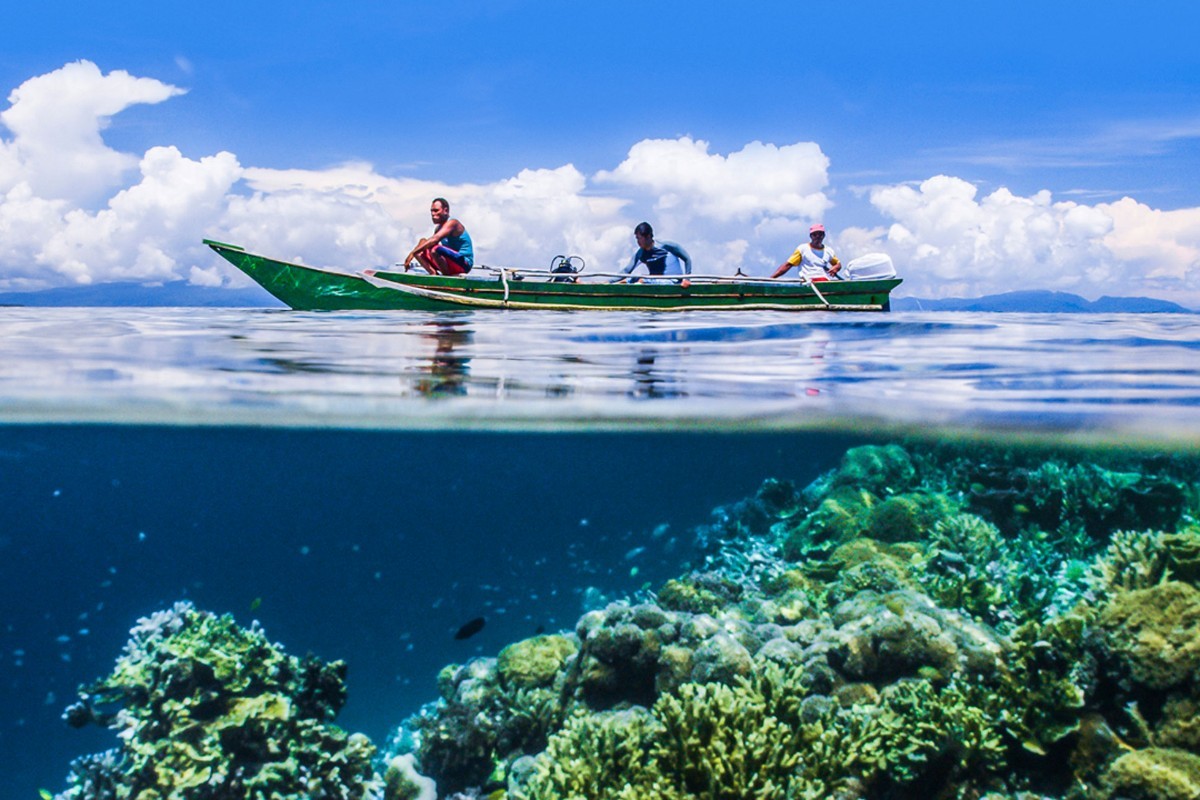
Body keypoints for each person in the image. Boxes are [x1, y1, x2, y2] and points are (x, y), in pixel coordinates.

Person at [405, 198, 474, 276]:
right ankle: (433, 273)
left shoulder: (453, 223)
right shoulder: (438, 228)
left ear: (446, 210)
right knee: (422, 243)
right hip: (449, 263)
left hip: (464, 264)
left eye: (436, 210)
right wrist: (416, 252)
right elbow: (428, 244)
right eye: (432, 211)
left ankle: (446, 278)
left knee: (435, 250)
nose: (433, 214)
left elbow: (435, 240)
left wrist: (412, 254)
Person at [617, 222, 692, 285]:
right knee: (628, 280)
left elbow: (687, 259)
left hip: (673, 281)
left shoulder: (666, 246)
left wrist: (687, 279)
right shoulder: (640, 253)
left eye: (639, 238)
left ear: (648, 236)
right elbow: (626, 271)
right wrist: (608, 281)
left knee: (643, 281)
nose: (638, 242)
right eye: (637, 238)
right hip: (655, 281)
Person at [771, 223, 841, 281]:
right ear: (811, 236)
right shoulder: (802, 249)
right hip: (809, 281)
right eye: (815, 235)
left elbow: (838, 264)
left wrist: (836, 267)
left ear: (824, 236)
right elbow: (787, 265)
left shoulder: (829, 250)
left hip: (824, 281)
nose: (817, 237)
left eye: (820, 234)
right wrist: (770, 279)